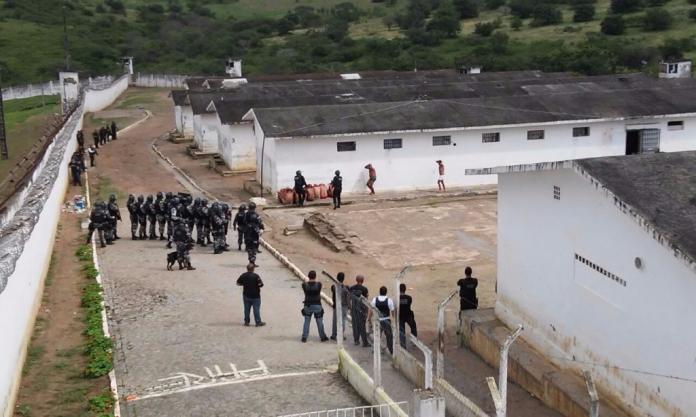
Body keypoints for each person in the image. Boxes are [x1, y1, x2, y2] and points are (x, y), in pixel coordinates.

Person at [301, 271, 329, 342]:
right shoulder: (319, 284)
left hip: (307, 305)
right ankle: (323, 337)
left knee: (306, 321)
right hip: (317, 305)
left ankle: (304, 337)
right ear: (315, 276)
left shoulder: (304, 285)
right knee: (319, 321)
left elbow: (305, 288)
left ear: (308, 276)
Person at [370, 286, 395, 355]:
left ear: (379, 292)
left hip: (378, 321)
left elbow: (371, 310)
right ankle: (391, 350)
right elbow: (392, 311)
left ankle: (375, 349)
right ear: (386, 292)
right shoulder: (389, 300)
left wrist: (368, 318)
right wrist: (394, 320)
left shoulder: (375, 299)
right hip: (386, 320)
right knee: (389, 336)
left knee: (377, 336)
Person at [349, 275, 370, 347]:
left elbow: (349, 298)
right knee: (362, 325)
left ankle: (356, 340)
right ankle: (365, 342)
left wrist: (350, 308)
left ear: (356, 280)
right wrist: (366, 311)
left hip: (354, 308)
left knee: (355, 324)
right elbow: (366, 300)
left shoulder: (351, 288)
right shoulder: (365, 289)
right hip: (361, 309)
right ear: (363, 281)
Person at [244, 202, 264, 266]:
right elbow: (260, 223)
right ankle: (252, 262)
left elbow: (243, 222)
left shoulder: (246, 215)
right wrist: (261, 229)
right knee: (254, 248)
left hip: (247, 234)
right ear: (254, 208)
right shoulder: (256, 215)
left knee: (249, 248)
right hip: (254, 234)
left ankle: (251, 261)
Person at [330, 272, 349, 341]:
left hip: (336, 306)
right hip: (344, 306)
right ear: (343, 279)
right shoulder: (346, 288)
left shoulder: (333, 287)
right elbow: (347, 298)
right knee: (343, 320)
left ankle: (334, 335)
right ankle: (341, 334)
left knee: (335, 321)